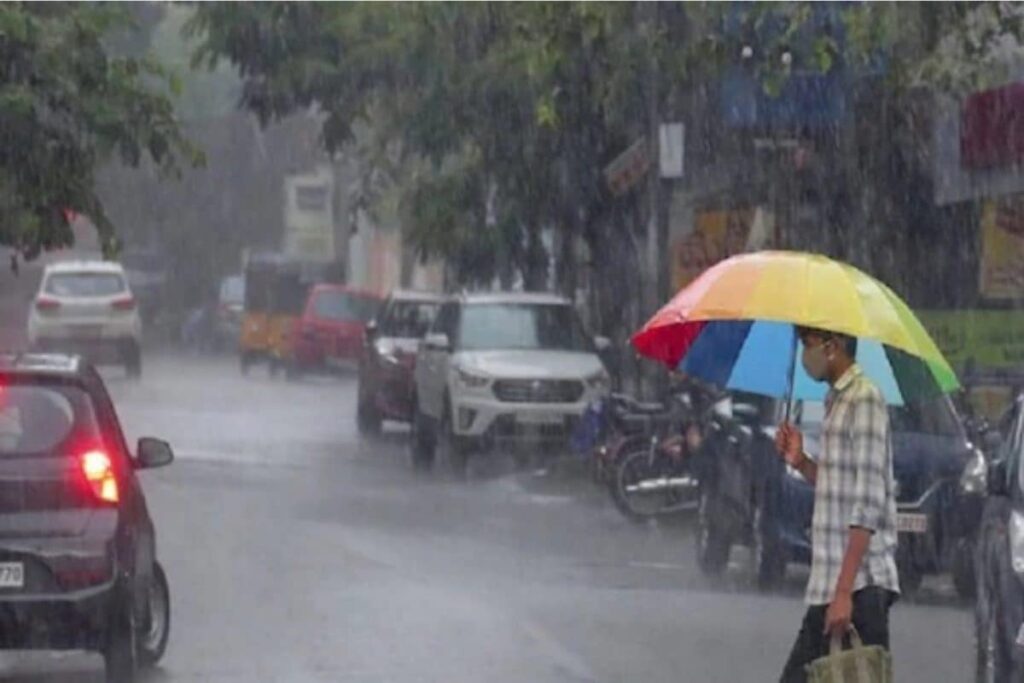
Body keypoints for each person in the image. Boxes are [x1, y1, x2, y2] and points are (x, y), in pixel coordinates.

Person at [775, 326, 900, 683]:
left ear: (834, 345)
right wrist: (800, 461)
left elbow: (867, 502)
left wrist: (844, 593)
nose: (805, 355)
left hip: (858, 588)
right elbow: (838, 488)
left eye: (808, 344)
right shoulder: (837, 401)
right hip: (832, 583)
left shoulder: (865, 399)